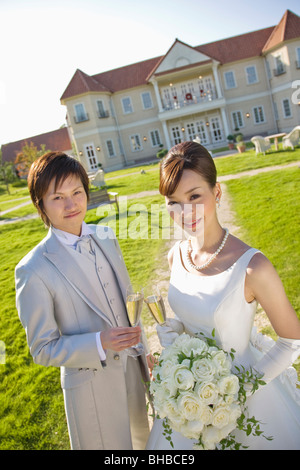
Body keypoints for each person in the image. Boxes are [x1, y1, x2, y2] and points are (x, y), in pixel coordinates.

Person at [146, 141, 300, 450]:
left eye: (194, 196)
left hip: (246, 401)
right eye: (173, 202)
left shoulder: (253, 268)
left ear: (216, 193)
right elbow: (195, 319)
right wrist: (177, 333)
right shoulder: (176, 256)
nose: (184, 212)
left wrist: (235, 393)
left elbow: (292, 342)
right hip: (188, 401)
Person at [15, 151, 151, 450]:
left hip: (132, 372)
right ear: (41, 205)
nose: (71, 204)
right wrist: (100, 342)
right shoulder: (32, 269)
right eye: (57, 197)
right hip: (91, 389)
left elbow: (129, 307)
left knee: (143, 444)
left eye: (77, 192)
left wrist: (144, 353)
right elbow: (42, 349)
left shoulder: (105, 236)